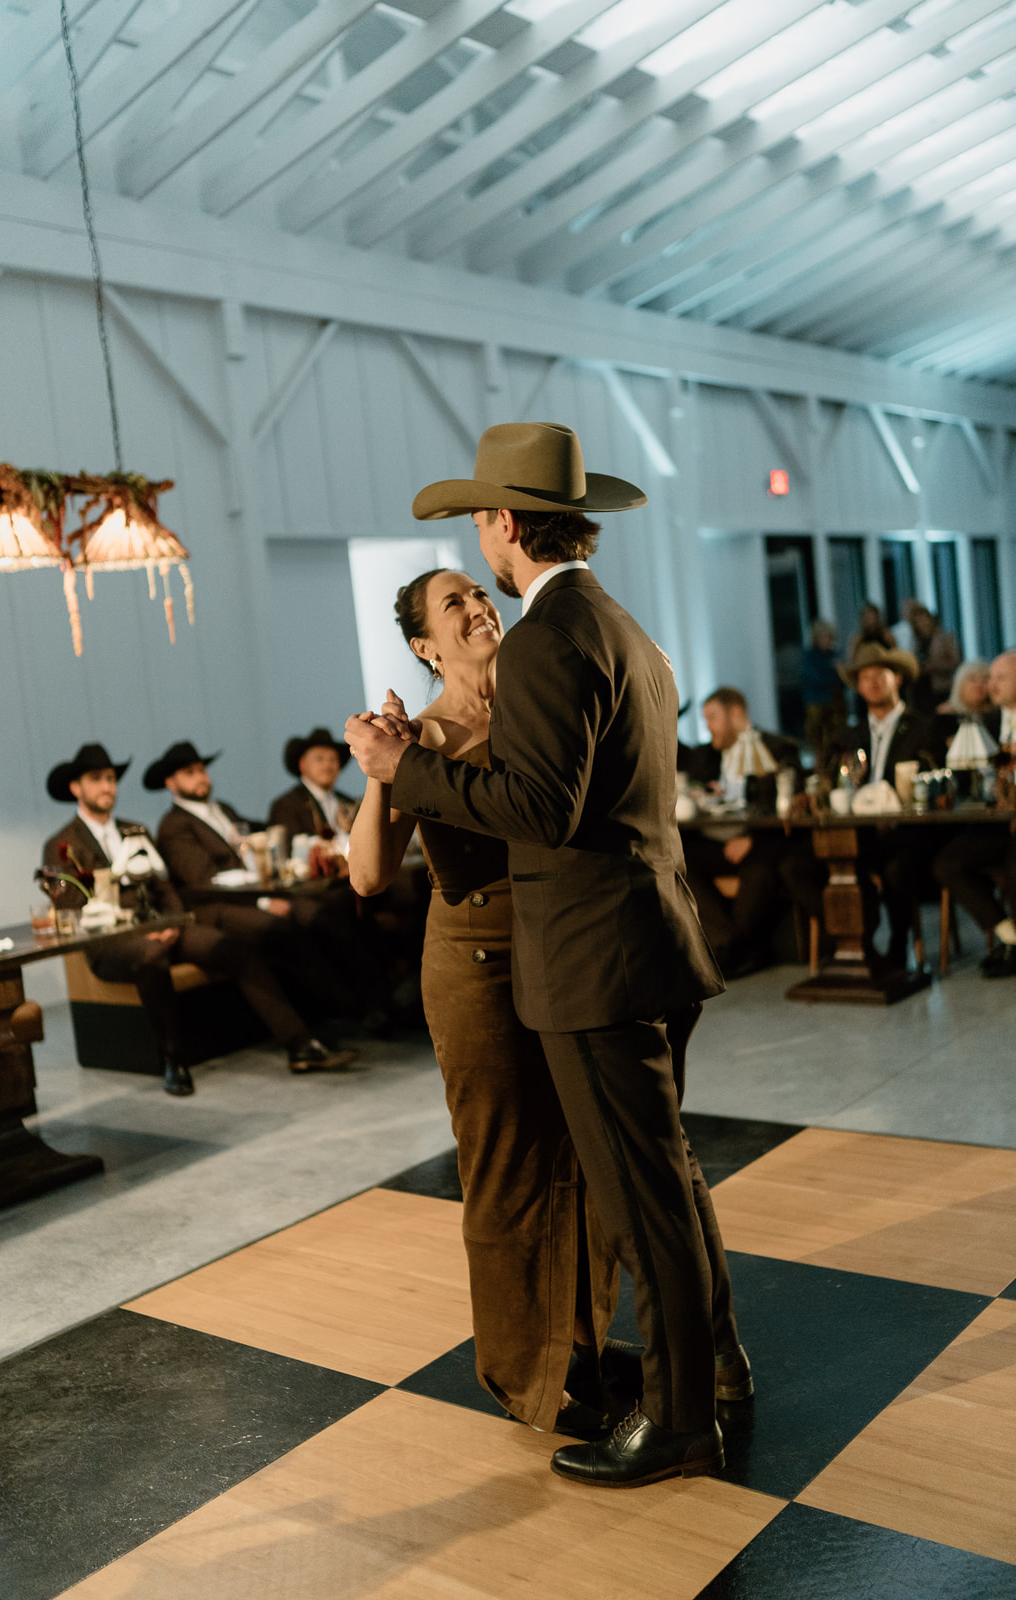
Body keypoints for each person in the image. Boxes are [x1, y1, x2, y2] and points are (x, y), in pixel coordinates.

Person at [348, 421, 748, 1490]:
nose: (476, 580)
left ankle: (678, 1416)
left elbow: (542, 808)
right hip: (630, 943)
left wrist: (401, 768)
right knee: (650, 1177)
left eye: (480, 523)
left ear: (503, 523)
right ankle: (700, 1371)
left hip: (592, 958)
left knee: (637, 1195)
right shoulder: (622, 628)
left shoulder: (545, 639)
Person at [348, 567, 621, 1439]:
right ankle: (521, 1374)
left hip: (566, 948)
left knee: (583, 1153)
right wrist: (382, 770)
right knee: (505, 1166)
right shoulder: (419, 736)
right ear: (423, 646)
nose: (477, 607)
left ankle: (582, 1344)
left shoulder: (538, 705)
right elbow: (367, 874)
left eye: (478, 592)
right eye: (453, 604)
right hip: (474, 961)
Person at [42, 743, 349, 1095]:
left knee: (233, 948)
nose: (107, 787)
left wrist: (173, 922)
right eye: (96, 779)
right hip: (111, 941)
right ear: (75, 788)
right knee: (151, 955)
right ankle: (173, 1060)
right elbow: (71, 907)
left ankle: (300, 1045)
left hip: (160, 926)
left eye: (110, 778)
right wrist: (138, 926)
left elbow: (165, 886)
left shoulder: (134, 830)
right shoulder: (63, 843)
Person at [147, 739, 359, 1063]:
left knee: (320, 914)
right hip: (213, 909)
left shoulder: (223, 810)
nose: (201, 778)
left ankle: (351, 1008)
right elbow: (204, 881)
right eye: (190, 773)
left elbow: (262, 834)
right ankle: (341, 1012)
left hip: (252, 896)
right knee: (281, 929)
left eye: (202, 770)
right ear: (171, 783)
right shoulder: (174, 825)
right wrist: (261, 902)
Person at [780, 643, 943, 967]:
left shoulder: (923, 729)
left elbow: (934, 782)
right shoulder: (848, 735)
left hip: (903, 832)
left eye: (879, 674)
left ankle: (897, 950)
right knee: (795, 865)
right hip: (854, 832)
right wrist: (810, 796)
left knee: (896, 868)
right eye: (865, 677)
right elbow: (828, 782)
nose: (872, 683)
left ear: (897, 678)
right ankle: (851, 942)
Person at [679, 687, 800, 976]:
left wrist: (752, 839)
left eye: (712, 718)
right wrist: (700, 793)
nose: (707, 727)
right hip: (715, 840)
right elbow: (691, 788)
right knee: (677, 862)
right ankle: (729, 943)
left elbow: (789, 806)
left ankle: (733, 951)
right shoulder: (703, 755)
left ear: (735, 713)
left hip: (760, 841)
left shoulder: (778, 748)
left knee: (760, 870)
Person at [933, 649, 1016, 978]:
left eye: (1000, 678)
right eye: (990, 678)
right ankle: (1009, 935)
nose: (991, 685)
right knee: (947, 862)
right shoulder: (987, 723)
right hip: (994, 824)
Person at [269, 729, 360, 843]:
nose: (327, 765)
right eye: (319, 759)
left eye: (333, 760)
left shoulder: (349, 803)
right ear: (302, 764)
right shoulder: (287, 806)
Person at [801, 619, 846, 765]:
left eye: (830, 638)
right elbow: (817, 678)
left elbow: (844, 679)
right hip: (817, 704)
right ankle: (820, 769)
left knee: (836, 741)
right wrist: (833, 670)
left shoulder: (834, 655)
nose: (828, 641)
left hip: (835, 706)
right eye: (825, 637)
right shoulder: (810, 656)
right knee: (818, 744)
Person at [905, 601, 962, 714]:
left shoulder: (945, 638)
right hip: (920, 689)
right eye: (919, 621)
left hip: (940, 687)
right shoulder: (915, 641)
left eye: (924, 619)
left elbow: (956, 661)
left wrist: (934, 667)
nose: (923, 623)